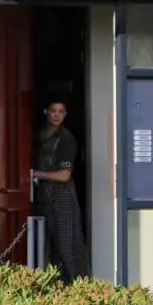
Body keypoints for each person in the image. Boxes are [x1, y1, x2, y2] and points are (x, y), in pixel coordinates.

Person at [32, 98, 91, 284]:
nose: (56, 115)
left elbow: (65, 175)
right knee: (45, 247)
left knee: (68, 246)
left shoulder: (66, 139)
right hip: (43, 199)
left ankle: (78, 288)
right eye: (53, 110)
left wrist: (35, 174)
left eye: (61, 111)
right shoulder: (36, 135)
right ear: (46, 112)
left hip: (62, 199)